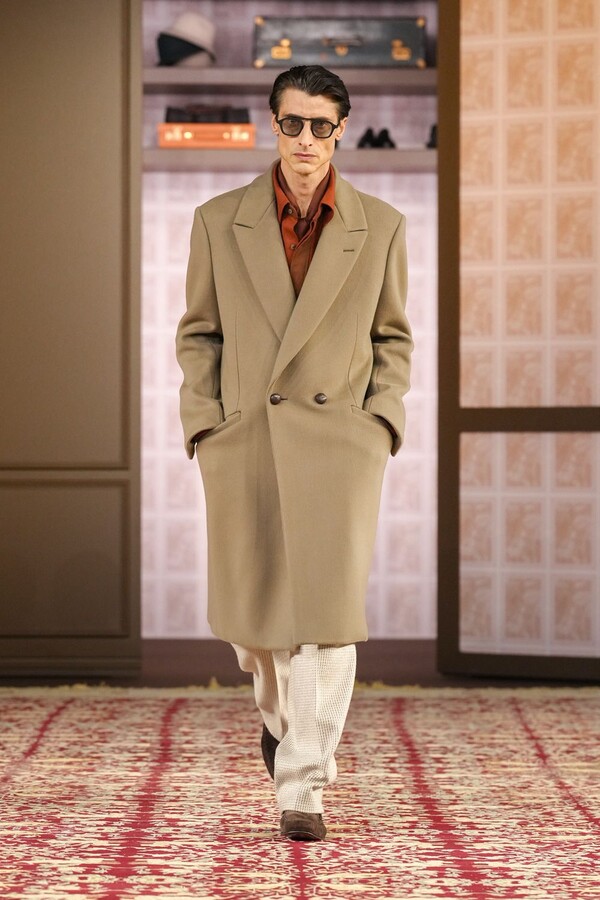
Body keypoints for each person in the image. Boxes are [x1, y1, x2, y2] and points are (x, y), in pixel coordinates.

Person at [176, 65, 412, 841]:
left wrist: (380, 423)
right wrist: (205, 424)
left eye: (320, 126)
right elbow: (200, 334)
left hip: (340, 444)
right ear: (272, 124)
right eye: (292, 123)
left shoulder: (382, 226)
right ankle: (281, 725)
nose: (306, 139)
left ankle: (303, 785)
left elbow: (392, 339)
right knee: (256, 625)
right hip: (246, 440)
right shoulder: (219, 220)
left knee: (327, 616)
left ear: (341, 130)